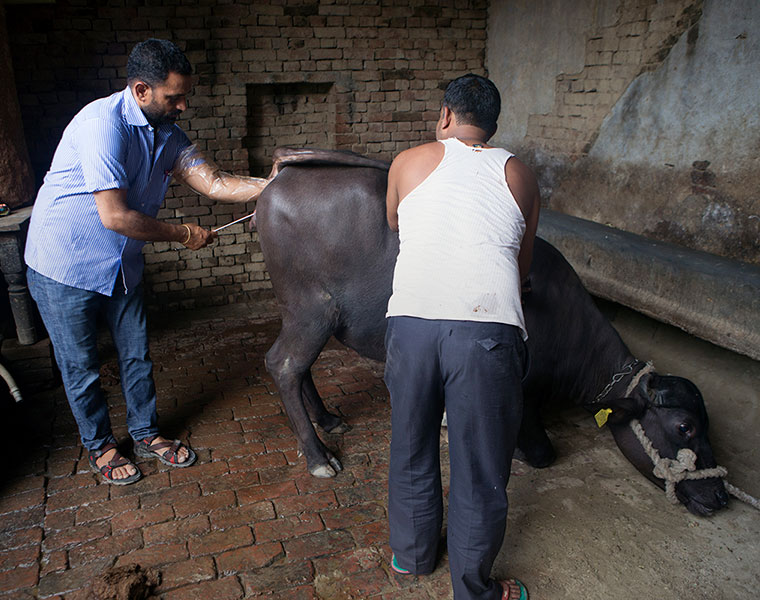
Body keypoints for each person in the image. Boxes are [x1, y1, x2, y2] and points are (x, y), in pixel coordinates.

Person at [25, 39, 272, 485]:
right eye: (173, 97)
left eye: (184, 95)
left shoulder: (169, 135)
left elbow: (212, 180)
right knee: (80, 366)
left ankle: (145, 434)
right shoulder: (104, 124)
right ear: (141, 90)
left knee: (136, 356)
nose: (183, 105)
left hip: (121, 266)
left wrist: (273, 186)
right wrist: (184, 234)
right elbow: (114, 216)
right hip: (65, 265)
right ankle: (100, 446)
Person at [384, 74, 540, 600]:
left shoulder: (408, 161)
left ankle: (412, 556)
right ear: (493, 128)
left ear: (445, 116)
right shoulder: (518, 173)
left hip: (410, 324)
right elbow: (521, 266)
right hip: (487, 329)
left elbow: (397, 223)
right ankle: (473, 590)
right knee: (480, 465)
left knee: (410, 445)